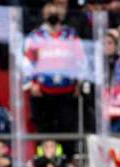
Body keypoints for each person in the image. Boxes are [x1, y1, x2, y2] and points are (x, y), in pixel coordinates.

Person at [24, 1, 87, 138]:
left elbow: (81, 60)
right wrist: (31, 83)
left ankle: (69, 158)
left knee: (68, 127)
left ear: (62, 15)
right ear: (44, 15)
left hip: (68, 91)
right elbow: (27, 62)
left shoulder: (71, 35)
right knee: (44, 129)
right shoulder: (35, 36)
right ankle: (44, 158)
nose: (53, 15)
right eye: (49, 13)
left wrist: (79, 82)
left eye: (56, 13)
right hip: (42, 91)